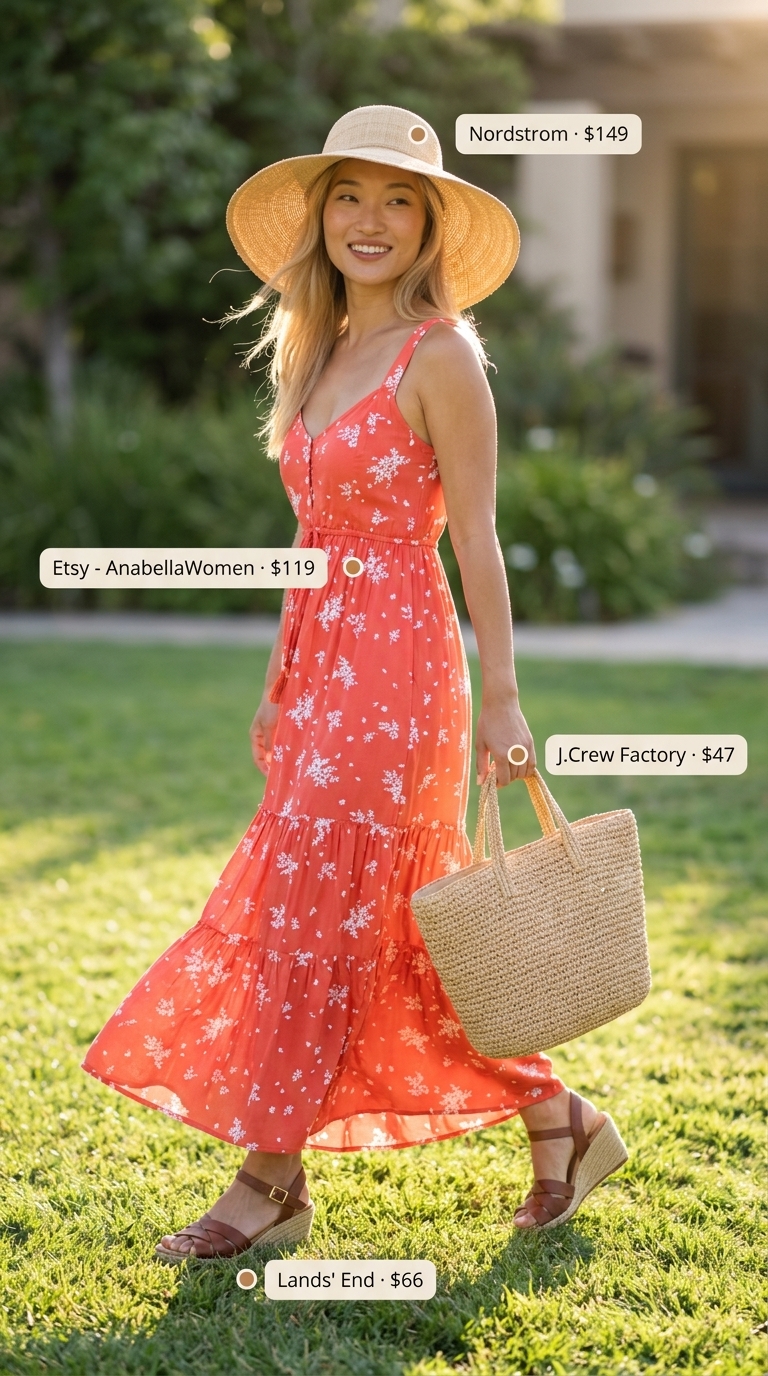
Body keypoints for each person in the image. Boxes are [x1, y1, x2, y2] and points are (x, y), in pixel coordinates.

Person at [81, 105, 628, 1259]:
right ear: (321, 216)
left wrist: (509, 698)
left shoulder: (444, 355)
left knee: (325, 905)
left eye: (397, 202)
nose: (369, 222)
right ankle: (559, 1117)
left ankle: (269, 1180)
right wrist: (280, 681)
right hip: (322, 663)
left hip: (402, 667)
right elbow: (312, 543)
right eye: (349, 198)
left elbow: (475, 540)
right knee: (377, 922)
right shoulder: (317, 351)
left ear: (430, 226)